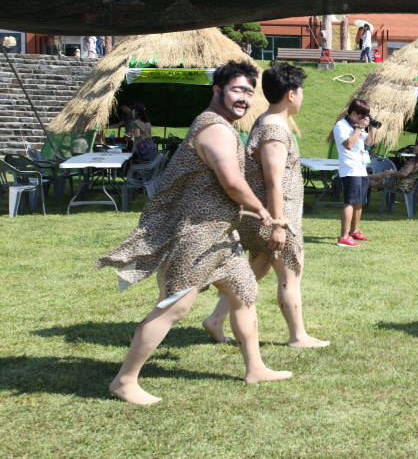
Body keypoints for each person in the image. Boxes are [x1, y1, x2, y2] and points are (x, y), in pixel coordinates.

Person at [96, 61, 291, 405]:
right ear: (217, 91)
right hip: (196, 235)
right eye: (237, 90)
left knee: (245, 295)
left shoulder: (223, 127)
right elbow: (231, 181)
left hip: (221, 236)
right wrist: (264, 213)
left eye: (248, 91)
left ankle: (255, 368)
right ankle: (124, 381)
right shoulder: (214, 129)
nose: (244, 97)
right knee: (174, 307)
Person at [203, 63, 329, 349]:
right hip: (275, 219)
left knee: (256, 270)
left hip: (269, 218)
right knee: (290, 275)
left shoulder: (268, 122)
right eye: (301, 90)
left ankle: (215, 319)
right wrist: (279, 224)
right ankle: (298, 336)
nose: (302, 95)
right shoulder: (274, 130)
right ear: (290, 94)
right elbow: (274, 183)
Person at [334, 98, 376, 247]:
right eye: (361, 116)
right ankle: (344, 237)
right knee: (350, 202)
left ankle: (354, 231)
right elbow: (349, 145)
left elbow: (369, 143)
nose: (363, 119)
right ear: (353, 113)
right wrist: (359, 127)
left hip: (361, 168)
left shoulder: (357, 126)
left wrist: (371, 128)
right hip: (350, 169)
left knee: (359, 202)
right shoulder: (341, 125)